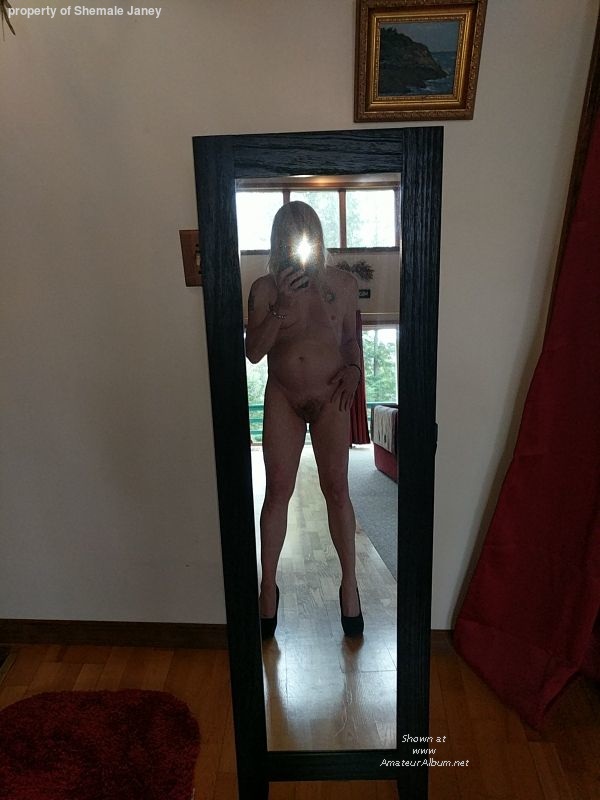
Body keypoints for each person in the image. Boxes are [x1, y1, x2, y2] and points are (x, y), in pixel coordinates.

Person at [245, 201, 364, 638]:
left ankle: (349, 584)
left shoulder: (343, 284)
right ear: (278, 241)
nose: (297, 243)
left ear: (317, 237)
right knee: (278, 492)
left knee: (337, 489)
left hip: (332, 395)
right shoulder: (264, 289)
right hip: (283, 396)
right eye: (289, 235)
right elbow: (254, 352)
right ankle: (268, 586)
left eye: (305, 233)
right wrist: (282, 304)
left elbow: (350, 340)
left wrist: (355, 370)